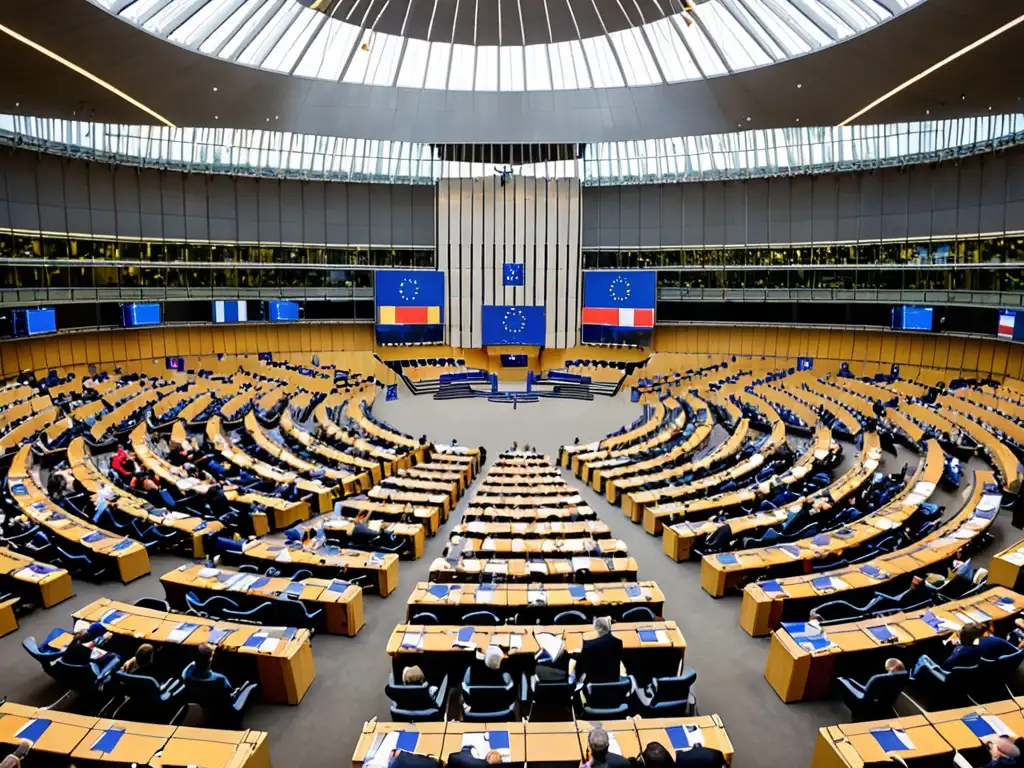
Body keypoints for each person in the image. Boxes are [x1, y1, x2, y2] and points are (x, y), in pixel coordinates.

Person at [912, 623, 986, 677]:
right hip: (962, 668)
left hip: (946, 670)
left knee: (924, 652)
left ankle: (912, 675)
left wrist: (954, 647)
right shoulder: (978, 648)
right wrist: (952, 645)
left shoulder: (960, 651)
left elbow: (947, 664)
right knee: (937, 642)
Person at [574, 617, 623, 684]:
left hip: (593, 688)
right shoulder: (618, 642)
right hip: (613, 686)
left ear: (595, 627)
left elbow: (580, 669)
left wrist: (576, 656)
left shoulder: (587, 646)